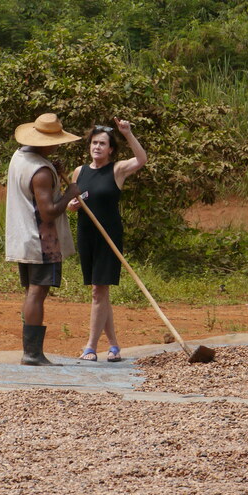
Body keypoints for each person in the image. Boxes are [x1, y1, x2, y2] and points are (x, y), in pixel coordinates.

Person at [5, 112, 82, 366]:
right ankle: (32, 354)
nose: (58, 145)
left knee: (32, 292)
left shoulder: (20, 157)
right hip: (41, 241)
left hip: (24, 237)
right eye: (55, 141)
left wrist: (53, 169)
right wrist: (70, 192)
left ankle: (32, 352)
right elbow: (48, 212)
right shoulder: (40, 172)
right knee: (37, 292)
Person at [67, 118, 147, 362]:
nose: (97, 147)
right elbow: (72, 202)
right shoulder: (80, 171)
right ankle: (114, 346)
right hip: (86, 234)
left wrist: (128, 133)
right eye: (94, 143)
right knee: (99, 291)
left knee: (98, 290)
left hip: (109, 236)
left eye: (102, 144)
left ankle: (90, 346)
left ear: (111, 149)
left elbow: (142, 160)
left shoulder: (117, 169)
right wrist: (71, 205)